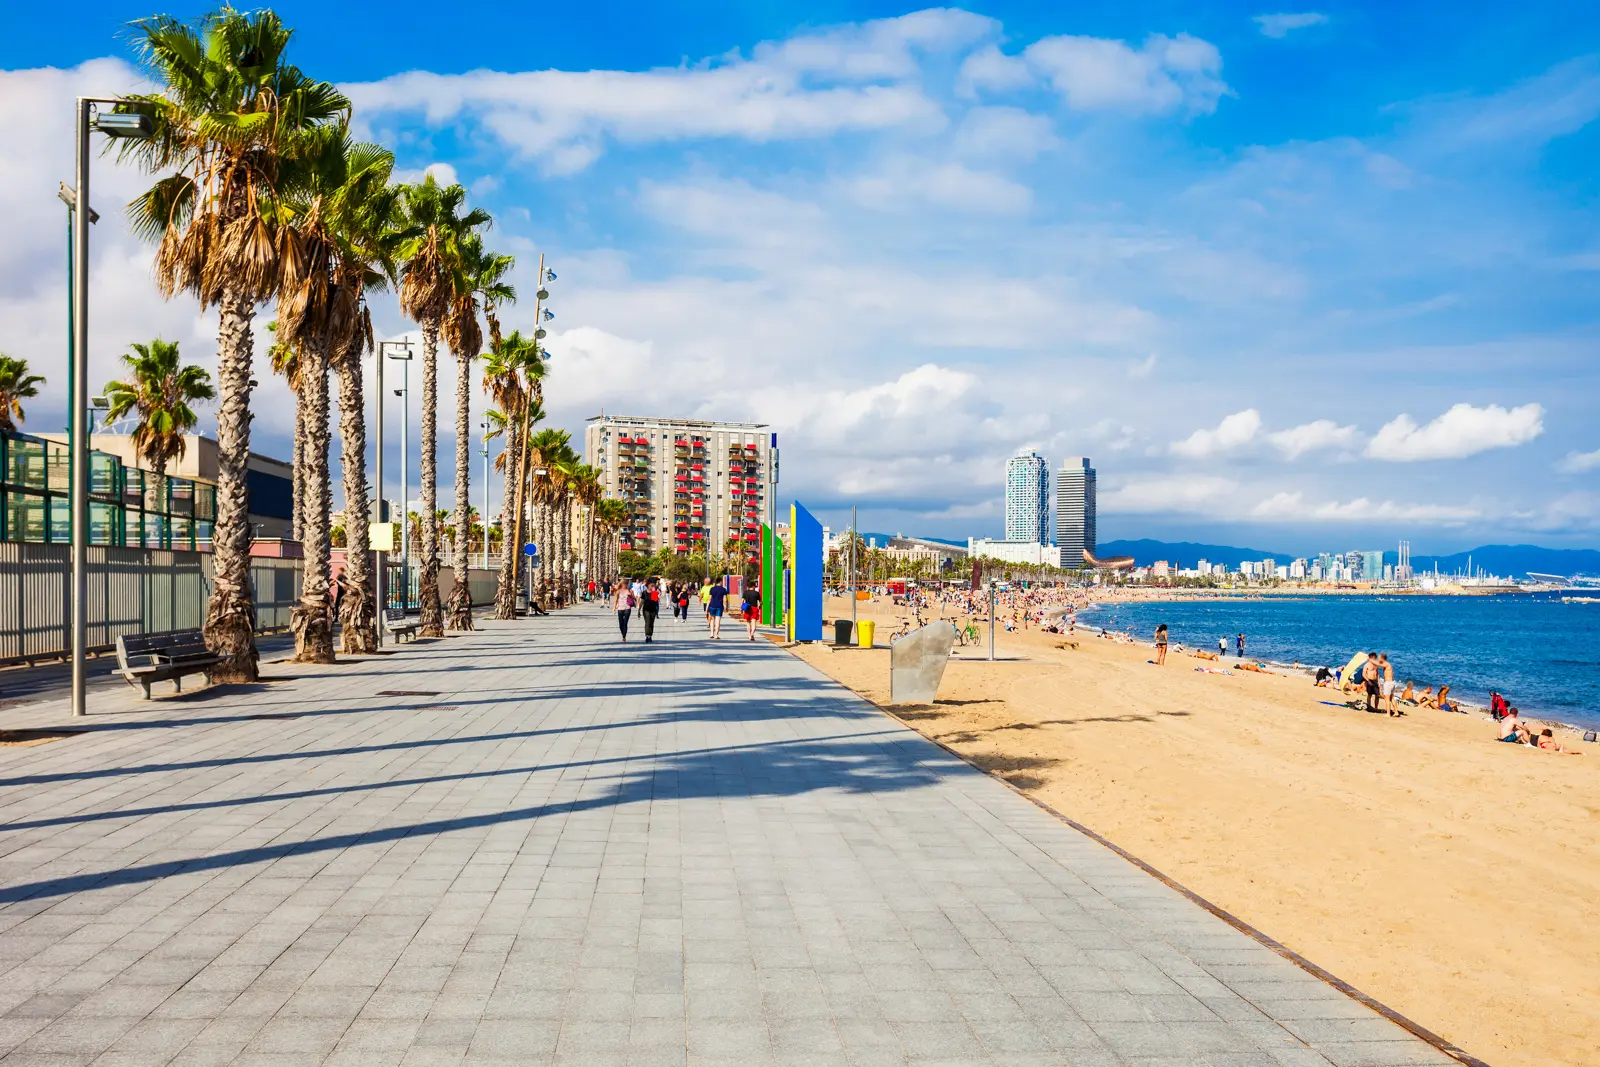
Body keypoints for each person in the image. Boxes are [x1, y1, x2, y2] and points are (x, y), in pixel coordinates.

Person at [641, 576, 661, 643]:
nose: (652, 586)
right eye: (651, 585)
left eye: (653, 585)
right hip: (646, 609)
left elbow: (655, 601)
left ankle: (650, 635)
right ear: (648, 585)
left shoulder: (654, 592)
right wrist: (639, 610)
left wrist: (654, 593)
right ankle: (647, 636)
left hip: (653, 609)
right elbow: (642, 601)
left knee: (651, 623)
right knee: (647, 622)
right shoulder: (644, 592)